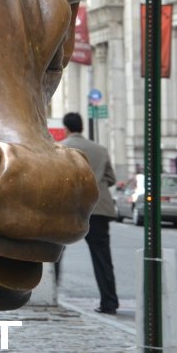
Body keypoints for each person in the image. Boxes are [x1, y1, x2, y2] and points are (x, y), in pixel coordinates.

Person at [61, 111, 119, 315]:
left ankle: (52, 292)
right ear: (82, 127)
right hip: (99, 208)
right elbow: (111, 179)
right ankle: (109, 301)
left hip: (70, 208)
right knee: (102, 258)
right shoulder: (100, 150)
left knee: (55, 250)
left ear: (66, 128)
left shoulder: (61, 148)